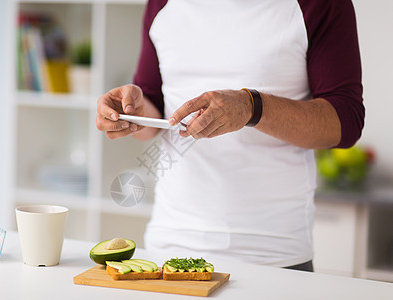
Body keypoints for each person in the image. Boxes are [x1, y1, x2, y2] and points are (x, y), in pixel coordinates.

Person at [96, 0, 364, 272]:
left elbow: (345, 122)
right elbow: (154, 111)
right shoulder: (161, 4)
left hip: (274, 255)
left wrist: (253, 106)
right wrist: (133, 114)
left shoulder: (320, 4)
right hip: (170, 245)